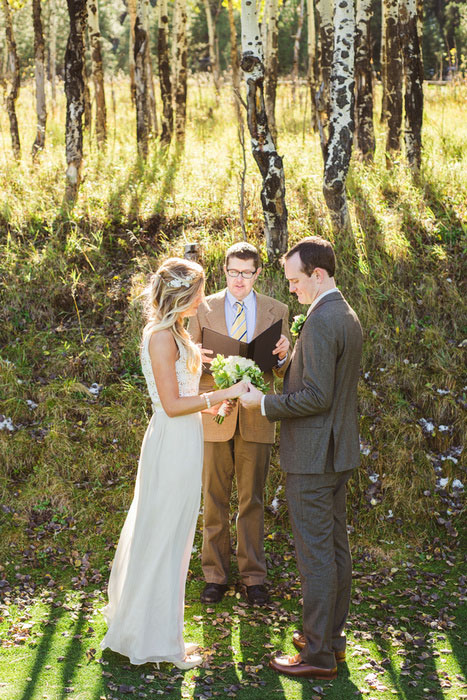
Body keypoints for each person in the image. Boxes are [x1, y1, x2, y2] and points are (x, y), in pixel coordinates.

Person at [101, 258, 247, 669]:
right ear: (183, 294)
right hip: (170, 444)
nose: (204, 298)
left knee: (176, 536)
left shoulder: (177, 333)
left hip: (186, 437)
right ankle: (153, 640)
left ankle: (162, 632)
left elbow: (182, 399)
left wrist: (209, 410)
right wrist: (220, 395)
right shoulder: (161, 338)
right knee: (164, 535)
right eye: (199, 291)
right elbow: (168, 405)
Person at [240, 236, 363, 679]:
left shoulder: (324, 321)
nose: (290, 288)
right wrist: (291, 358)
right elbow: (321, 380)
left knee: (315, 558)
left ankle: (317, 656)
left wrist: (265, 405)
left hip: (313, 457)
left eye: (295, 281)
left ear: (318, 274)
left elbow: (317, 396)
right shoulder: (340, 313)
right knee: (333, 550)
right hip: (336, 452)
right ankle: (330, 638)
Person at [188, 242, 291, 606]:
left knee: (252, 500)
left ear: (258, 273)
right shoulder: (203, 308)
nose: (239, 279)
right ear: (224, 270)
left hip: (256, 415)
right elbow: (186, 361)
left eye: (247, 273)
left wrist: (284, 354)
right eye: (233, 272)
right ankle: (214, 575)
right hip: (215, 414)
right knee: (214, 499)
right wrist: (196, 358)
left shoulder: (278, 310)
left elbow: (282, 369)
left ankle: (253, 578)